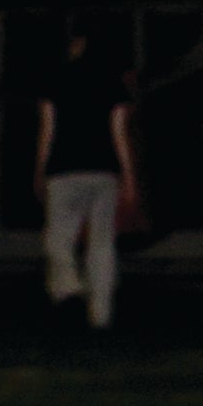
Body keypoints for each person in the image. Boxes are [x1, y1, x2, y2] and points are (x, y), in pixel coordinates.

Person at [36, 27, 140, 331]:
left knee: (58, 237)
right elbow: (119, 133)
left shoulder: (55, 80)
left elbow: (47, 129)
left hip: (64, 169)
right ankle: (101, 314)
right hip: (103, 170)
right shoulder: (113, 82)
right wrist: (129, 176)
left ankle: (68, 285)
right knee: (102, 243)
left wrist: (40, 169)